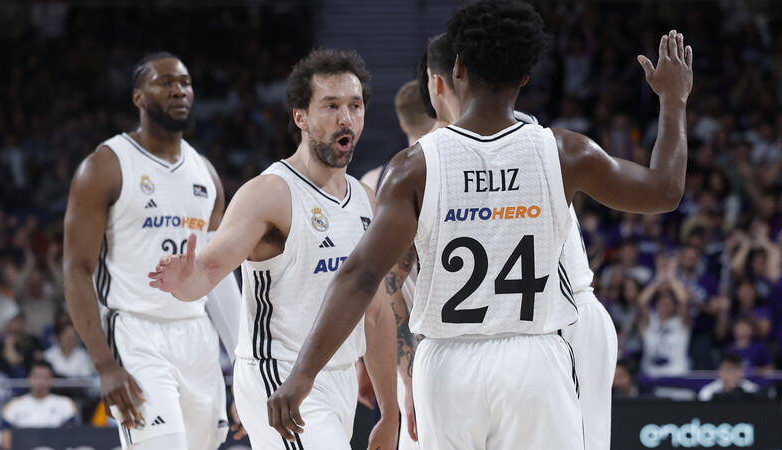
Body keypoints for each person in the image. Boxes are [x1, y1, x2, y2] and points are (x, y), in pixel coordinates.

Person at [266, 0, 693, 448]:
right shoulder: (567, 152)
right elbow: (665, 190)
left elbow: (360, 276)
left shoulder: (413, 167)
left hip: (448, 367)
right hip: (534, 361)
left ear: (458, 68)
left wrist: (302, 374)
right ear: (526, 76)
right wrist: (673, 100)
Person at [148, 48, 398, 450]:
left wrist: (389, 412)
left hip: (339, 379)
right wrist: (183, 280)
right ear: (301, 116)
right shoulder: (270, 193)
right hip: (279, 373)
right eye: (330, 106)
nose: (346, 117)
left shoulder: (366, 201)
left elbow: (378, 313)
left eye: (355, 106)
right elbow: (208, 271)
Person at [409, 31, 619, 449]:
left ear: (443, 81)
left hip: (560, 316)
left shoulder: (515, 136)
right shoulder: (449, 149)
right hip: (504, 330)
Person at [64, 52, 241, 449]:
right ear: (138, 97)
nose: (178, 90)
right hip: (135, 332)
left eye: (185, 82)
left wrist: (244, 367)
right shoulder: (105, 166)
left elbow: (217, 275)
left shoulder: (206, 174)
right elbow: (76, 270)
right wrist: (104, 365)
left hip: (197, 337)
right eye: (164, 82)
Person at [358, 79, 435, 449]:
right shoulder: (438, 173)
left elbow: (364, 282)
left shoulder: (369, 184)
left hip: (390, 347)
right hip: (432, 343)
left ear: (402, 122)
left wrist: (364, 360)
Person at [0, 361, 77, 449]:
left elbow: (70, 436)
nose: (41, 382)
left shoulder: (65, 403)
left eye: (46, 378)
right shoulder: (14, 405)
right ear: (29, 378)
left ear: (52, 380)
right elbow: (5, 439)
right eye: (37, 377)